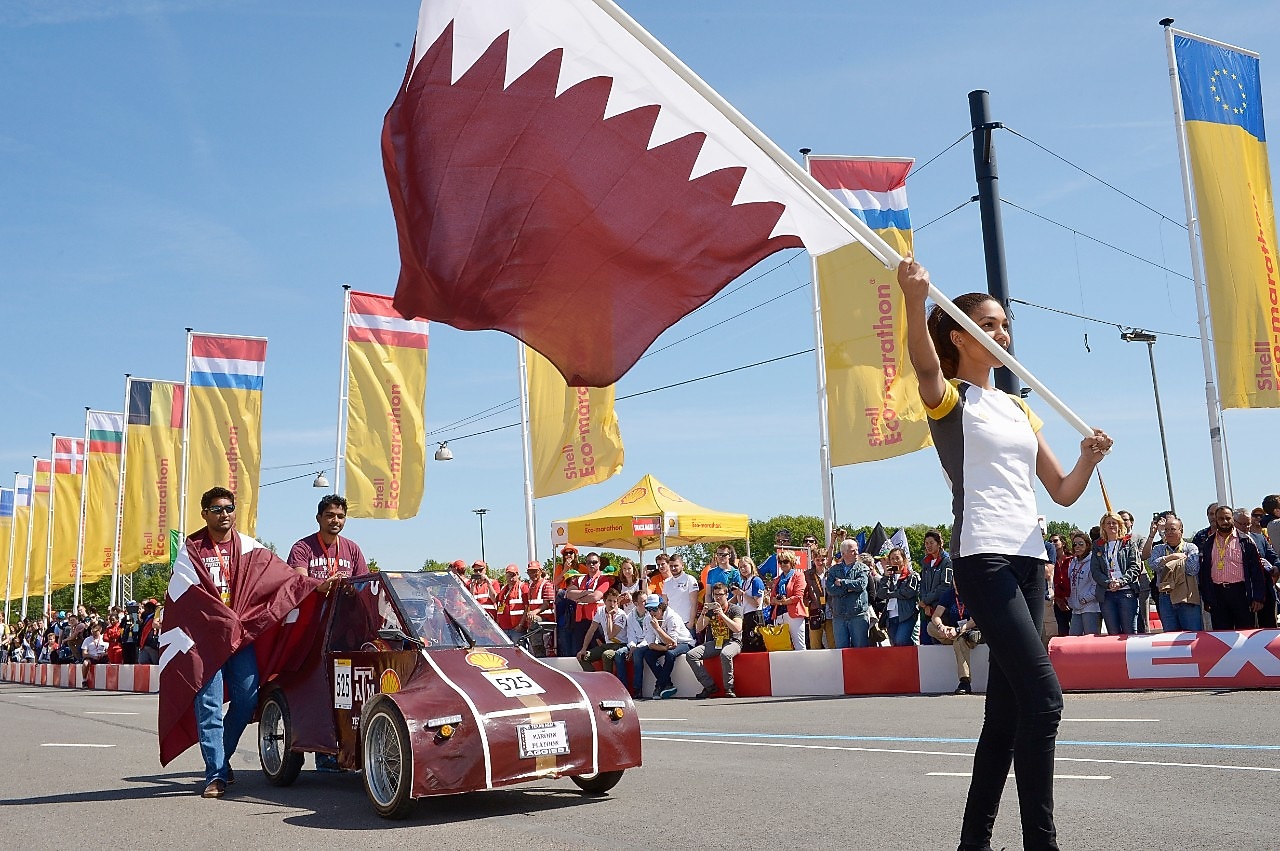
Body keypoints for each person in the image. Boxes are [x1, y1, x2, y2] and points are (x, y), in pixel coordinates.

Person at [900, 257, 1112, 851]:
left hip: (1030, 558)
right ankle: (1041, 842)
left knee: (1007, 715)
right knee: (1045, 700)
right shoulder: (950, 401)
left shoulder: (1019, 407)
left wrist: (1089, 457)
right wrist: (914, 302)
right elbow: (922, 363)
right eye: (989, 326)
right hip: (983, 557)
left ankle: (974, 843)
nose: (1003, 334)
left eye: (1005, 325)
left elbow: (1063, 493)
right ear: (960, 337)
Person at [162, 487, 326, 799]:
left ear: (235, 511)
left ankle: (221, 760)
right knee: (208, 705)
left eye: (228, 508)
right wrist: (221, 620)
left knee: (248, 700)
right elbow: (187, 597)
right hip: (204, 641)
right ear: (204, 514)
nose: (223, 514)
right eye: (216, 509)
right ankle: (216, 773)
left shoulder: (250, 547)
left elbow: (284, 578)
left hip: (240, 640)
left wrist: (316, 585)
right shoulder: (191, 549)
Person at [1198, 505, 1268, 630]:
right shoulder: (1209, 542)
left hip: (1241, 593)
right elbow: (1204, 573)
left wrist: (1258, 597)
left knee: (1245, 633)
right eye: (1221, 519)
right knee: (1222, 636)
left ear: (1233, 520)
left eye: (1227, 518)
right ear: (1216, 520)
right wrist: (1208, 598)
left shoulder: (1246, 541)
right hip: (1218, 594)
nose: (1224, 522)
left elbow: (1257, 571)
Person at [286, 494, 370, 582]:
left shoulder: (353, 548)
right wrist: (323, 586)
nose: (336, 520)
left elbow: (363, 584)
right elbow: (301, 583)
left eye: (340, 517)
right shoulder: (302, 548)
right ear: (318, 518)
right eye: (330, 515)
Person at [685, 582, 743, 698]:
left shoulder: (735, 609)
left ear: (727, 595)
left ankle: (729, 688)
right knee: (691, 655)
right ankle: (709, 686)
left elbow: (737, 628)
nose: (717, 597)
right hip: (716, 642)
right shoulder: (711, 610)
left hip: (733, 641)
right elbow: (699, 628)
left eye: (720, 594)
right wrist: (703, 613)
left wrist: (722, 615)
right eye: (715, 594)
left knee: (725, 654)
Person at [1090, 512, 1142, 635]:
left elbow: (1135, 567)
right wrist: (1109, 583)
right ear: (1103, 526)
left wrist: (1121, 581)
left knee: (1129, 632)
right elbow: (1095, 570)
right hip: (1107, 594)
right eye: (1108, 523)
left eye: (1114, 523)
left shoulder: (1128, 543)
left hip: (1126, 592)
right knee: (1113, 633)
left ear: (1120, 525)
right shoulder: (1098, 545)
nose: (1111, 525)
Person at [927, 579, 982, 695]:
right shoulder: (948, 594)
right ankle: (952, 636)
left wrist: (958, 631)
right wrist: (941, 626)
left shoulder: (974, 594)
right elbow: (936, 616)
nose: (957, 584)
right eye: (955, 581)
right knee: (930, 627)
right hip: (952, 631)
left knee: (960, 641)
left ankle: (965, 681)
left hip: (969, 631)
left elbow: (975, 620)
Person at [1147, 516, 1202, 632]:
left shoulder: (1190, 547)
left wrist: (1165, 563)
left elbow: (1192, 569)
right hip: (1166, 597)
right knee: (1170, 636)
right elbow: (1152, 564)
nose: (1169, 533)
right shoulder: (1158, 548)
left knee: (1192, 634)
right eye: (1166, 530)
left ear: (1181, 531)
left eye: (1172, 529)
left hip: (1186, 595)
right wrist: (1173, 557)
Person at [639, 595, 693, 699]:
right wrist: (663, 648)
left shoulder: (672, 617)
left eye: (654, 609)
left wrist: (658, 629)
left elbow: (673, 643)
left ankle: (659, 686)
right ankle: (668, 684)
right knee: (648, 655)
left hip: (684, 642)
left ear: (661, 607)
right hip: (665, 644)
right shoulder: (648, 619)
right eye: (649, 609)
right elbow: (650, 644)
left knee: (670, 654)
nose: (651, 612)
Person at [1234, 508, 1279, 628]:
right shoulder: (1230, 543)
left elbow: (1274, 557)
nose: (1246, 527)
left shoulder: (1260, 538)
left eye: (1248, 523)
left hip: (1266, 591)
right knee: (1247, 629)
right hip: (1244, 593)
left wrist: (1276, 567)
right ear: (1234, 523)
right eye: (1242, 524)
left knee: (1269, 627)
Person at [827, 539, 873, 648]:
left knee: (861, 649)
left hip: (858, 615)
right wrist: (848, 589)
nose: (857, 553)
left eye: (857, 550)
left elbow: (861, 584)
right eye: (853, 551)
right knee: (842, 650)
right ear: (843, 553)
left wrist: (842, 582)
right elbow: (830, 589)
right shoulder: (834, 570)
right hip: (839, 616)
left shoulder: (863, 568)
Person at [564, 553, 611, 655]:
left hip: (597, 620)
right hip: (581, 620)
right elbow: (569, 594)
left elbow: (595, 597)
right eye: (589, 562)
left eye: (594, 562)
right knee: (580, 651)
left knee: (596, 651)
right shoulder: (580, 579)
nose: (591, 565)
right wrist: (585, 592)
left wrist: (579, 597)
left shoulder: (604, 579)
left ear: (599, 564)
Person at [576, 587, 627, 672]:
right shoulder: (600, 610)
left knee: (606, 655)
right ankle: (595, 680)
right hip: (607, 645)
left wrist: (609, 617)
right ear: (604, 601)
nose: (612, 604)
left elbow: (611, 635)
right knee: (583, 657)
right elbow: (591, 630)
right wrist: (583, 649)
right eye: (610, 601)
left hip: (620, 645)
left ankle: (608, 682)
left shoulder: (621, 615)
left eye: (615, 601)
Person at [918, 530, 953, 646]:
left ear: (939, 543)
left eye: (931, 543)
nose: (928, 546)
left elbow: (945, 586)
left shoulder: (947, 561)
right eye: (926, 543)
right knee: (927, 643)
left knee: (940, 643)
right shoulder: (926, 563)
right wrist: (925, 603)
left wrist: (926, 600)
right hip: (926, 610)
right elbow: (922, 585)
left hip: (941, 609)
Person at [1063, 532, 1101, 635]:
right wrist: (1070, 599)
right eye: (1075, 544)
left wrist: (1085, 599)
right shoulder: (1073, 562)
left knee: (1091, 638)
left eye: (1081, 544)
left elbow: (1097, 585)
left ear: (1087, 545)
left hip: (1090, 607)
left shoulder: (1093, 561)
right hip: (1076, 607)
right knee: (1073, 637)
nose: (1077, 547)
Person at [881, 546, 920, 646]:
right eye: (892, 559)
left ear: (904, 559)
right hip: (891, 616)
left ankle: (914, 651)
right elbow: (881, 594)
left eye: (897, 558)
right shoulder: (888, 576)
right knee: (895, 644)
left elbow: (909, 592)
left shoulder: (911, 575)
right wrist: (885, 576)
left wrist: (890, 594)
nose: (895, 561)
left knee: (901, 641)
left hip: (907, 615)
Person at [771, 551, 808, 651]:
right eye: (780, 562)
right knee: (781, 645)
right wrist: (775, 600)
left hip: (794, 614)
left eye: (785, 561)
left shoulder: (799, 576)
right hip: (779, 614)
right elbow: (772, 598)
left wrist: (784, 601)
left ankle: (803, 666)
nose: (783, 564)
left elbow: (798, 596)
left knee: (799, 645)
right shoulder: (777, 579)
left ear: (792, 562)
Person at [732, 556, 766, 653]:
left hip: (755, 615)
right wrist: (738, 594)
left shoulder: (756, 581)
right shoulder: (744, 583)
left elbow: (756, 603)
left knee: (756, 643)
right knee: (746, 645)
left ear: (751, 566)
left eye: (745, 566)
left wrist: (742, 593)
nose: (743, 569)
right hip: (745, 615)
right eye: (740, 567)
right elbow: (741, 602)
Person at [660, 554, 700, 633]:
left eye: (676, 566)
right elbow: (664, 604)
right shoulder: (667, 582)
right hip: (672, 623)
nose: (673, 568)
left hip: (686, 623)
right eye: (671, 566)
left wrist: (691, 623)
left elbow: (694, 604)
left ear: (682, 565)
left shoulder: (690, 579)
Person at [523, 562, 555, 657]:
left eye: (535, 571)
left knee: (535, 622)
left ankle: (539, 652)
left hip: (546, 619)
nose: (533, 574)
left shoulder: (547, 584)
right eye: (530, 572)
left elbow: (547, 603)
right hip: (535, 620)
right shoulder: (531, 586)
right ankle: (536, 651)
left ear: (540, 571)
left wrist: (534, 612)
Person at [804, 547, 833, 649]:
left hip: (831, 611)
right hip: (816, 612)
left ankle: (834, 664)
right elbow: (803, 595)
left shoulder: (831, 573)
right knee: (815, 644)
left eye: (823, 560)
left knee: (833, 643)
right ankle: (816, 664)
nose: (820, 562)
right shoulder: (807, 575)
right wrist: (810, 604)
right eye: (818, 560)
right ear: (813, 560)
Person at [494, 565, 529, 644]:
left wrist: (520, 625)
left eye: (513, 575)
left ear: (517, 575)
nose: (510, 577)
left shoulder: (523, 587)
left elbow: (527, 608)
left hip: (516, 629)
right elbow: (499, 606)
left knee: (518, 653)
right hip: (503, 628)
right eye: (508, 575)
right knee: (506, 653)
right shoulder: (503, 589)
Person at [138, 599, 162, 665]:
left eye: (146, 608)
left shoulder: (155, 616)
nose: (144, 610)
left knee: (155, 664)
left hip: (152, 644)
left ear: (151, 609)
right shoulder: (145, 618)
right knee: (143, 663)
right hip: (144, 644)